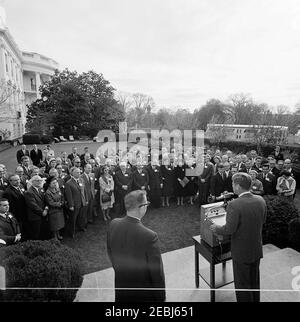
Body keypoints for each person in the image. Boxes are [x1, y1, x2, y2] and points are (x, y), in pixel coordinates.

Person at [210, 172, 267, 302]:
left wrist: (216, 228)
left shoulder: (234, 204)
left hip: (241, 252)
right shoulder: (260, 200)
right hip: (256, 248)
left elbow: (229, 229)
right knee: (254, 281)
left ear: (237, 186)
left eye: (233, 184)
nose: (232, 186)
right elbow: (263, 220)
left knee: (242, 285)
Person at [107, 190, 166, 302]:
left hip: (121, 287)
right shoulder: (150, 236)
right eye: (146, 203)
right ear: (141, 207)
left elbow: (110, 253)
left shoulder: (113, 223)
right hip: (144, 294)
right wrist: (161, 298)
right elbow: (157, 273)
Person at [24, 175, 49, 240]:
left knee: (42, 231)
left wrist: (46, 208)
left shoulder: (41, 189)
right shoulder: (29, 192)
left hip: (43, 214)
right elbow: (33, 205)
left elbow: (46, 200)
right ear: (32, 182)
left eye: (40, 180)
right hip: (35, 216)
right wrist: (42, 212)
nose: (39, 182)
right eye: (37, 181)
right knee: (36, 234)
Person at [64, 167, 87, 238]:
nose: (79, 173)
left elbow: (84, 191)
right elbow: (69, 196)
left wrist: (86, 200)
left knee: (81, 216)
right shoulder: (68, 183)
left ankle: (81, 227)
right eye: (77, 172)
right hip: (75, 204)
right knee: (73, 219)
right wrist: (71, 205)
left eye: (79, 172)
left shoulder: (81, 180)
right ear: (72, 173)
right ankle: (72, 232)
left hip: (82, 202)